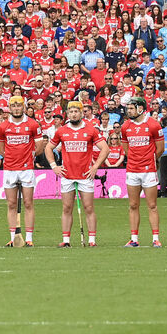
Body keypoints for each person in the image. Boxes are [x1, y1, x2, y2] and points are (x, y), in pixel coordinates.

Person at [46, 101, 108, 247]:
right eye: (71, 111)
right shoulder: (61, 131)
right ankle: (66, 240)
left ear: (81, 113)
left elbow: (105, 149)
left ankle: (92, 240)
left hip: (85, 175)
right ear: (67, 113)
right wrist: (54, 166)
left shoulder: (91, 130)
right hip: (67, 175)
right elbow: (48, 148)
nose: (73, 114)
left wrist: (95, 167)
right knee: (67, 208)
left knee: (89, 207)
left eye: (76, 111)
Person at [0, 95, 44, 246]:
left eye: (19, 106)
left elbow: (40, 145)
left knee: (28, 203)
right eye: (13, 106)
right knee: (11, 204)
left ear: (23, 107)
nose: (16, 108)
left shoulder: (32, 124)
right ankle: (13, 237)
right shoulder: (3, 126)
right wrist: (11, 157)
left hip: (26, 169)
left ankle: (29, 239)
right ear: (9, 108)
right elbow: (1, 149)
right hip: (10, 169)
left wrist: (31, 155)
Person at [119, 95, 164, 247]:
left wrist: (148, 159)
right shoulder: (125, 126)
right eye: (128, 108)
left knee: (152, 205)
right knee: (133, 205)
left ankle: (155, 238)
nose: (128, 110)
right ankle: (134, 239)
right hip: (132, 170)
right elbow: (126, 148)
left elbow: (160, 149)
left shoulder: (153, 125)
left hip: (148, 170)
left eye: (132, 108)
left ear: (141, 108)